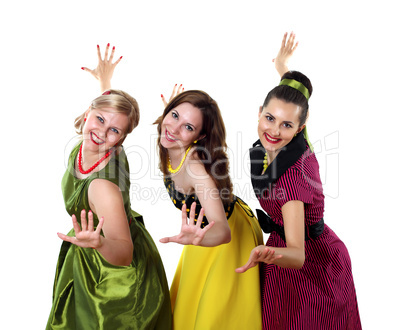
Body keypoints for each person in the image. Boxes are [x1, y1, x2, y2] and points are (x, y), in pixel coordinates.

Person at [87, 45, 264, 329]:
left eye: (189, 128)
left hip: (225, 238)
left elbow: (221, 229)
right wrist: (105, 85)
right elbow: (114, 120)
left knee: (214, 316)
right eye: (174, 115)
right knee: (185, 312)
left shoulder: (195, 167)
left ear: (200, 136)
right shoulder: (170, 134)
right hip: (200, 234)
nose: (174, 128)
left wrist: (198, 239)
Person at [236, 32, 362, 329]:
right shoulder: (286, 142)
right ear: (260, 112)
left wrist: (263, 253)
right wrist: (282, 65)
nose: (274, 130)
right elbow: (296, 94)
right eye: (269, 118)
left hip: (313, 266)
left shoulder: (292, 178)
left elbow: (296, 256)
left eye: (286, 125)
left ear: (300, 128)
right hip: (284, 250)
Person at [46, 45, 172, 329]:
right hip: (91, 252)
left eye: (114, 131)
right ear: (89, 110)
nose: (101, 133)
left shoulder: (102, 187)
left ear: (122, 139)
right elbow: (109, 108)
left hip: (114, 275)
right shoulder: (96, 138)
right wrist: (105, 81)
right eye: (100, 119)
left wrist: (99, 242)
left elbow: (124, 252)